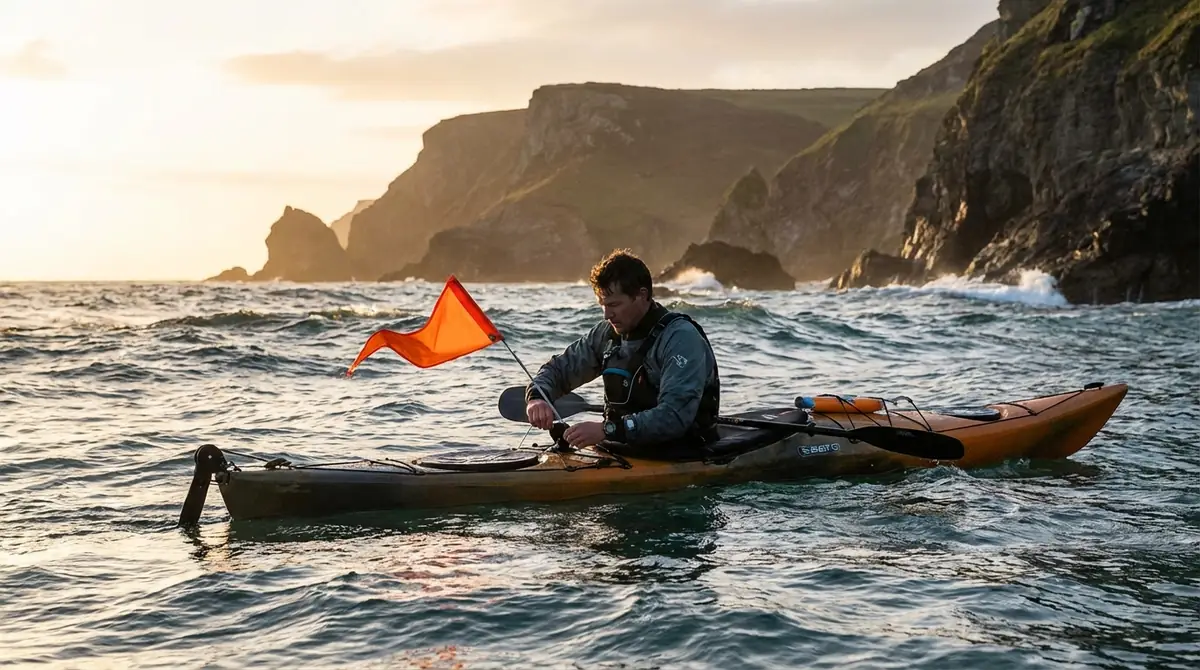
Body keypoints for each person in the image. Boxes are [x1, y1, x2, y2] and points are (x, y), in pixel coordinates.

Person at [524, 249, 721, 456]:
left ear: (642, 295)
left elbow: (674, 417)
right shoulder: (606, 334)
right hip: (618, 445)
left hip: (682, 451)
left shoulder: (680, 338)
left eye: (614, 304)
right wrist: (537, 397)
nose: (607, 314)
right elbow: (559, 369)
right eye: (603, 305)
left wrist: (607, 429)